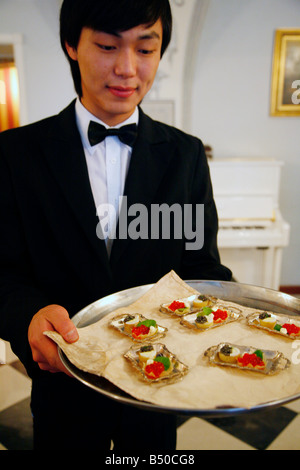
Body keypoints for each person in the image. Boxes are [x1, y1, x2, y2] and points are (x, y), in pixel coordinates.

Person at [0, 0, 232, 450]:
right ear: (72, 44)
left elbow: (202, 264)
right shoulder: (14, 154)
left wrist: (231, 314)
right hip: (63, 386)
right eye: (108, 46)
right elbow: (4, 272)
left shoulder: (185, 154)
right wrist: (27, 315)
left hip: (158, 387)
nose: (127, 69)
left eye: (146, 49)